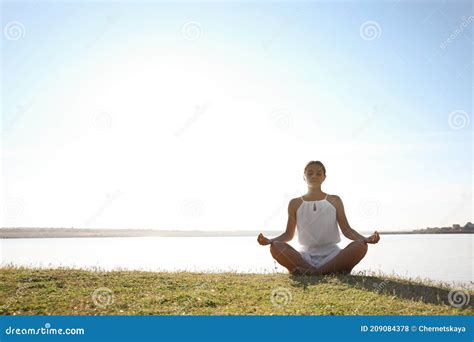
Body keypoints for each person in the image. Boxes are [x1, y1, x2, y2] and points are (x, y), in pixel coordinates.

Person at [257, 160, 380, 275]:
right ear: (304, 177)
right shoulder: (294, 203)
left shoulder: (335, 200)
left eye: (318, 173)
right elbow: (289, 234)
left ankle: (313, 272)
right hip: (304, 256)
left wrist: (365, 239)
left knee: (361, 245)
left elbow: (346, 230)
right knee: (276, 247)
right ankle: (324, 271)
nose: (314, 176)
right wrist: (270, 241)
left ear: (324, 177)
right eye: (309, 173)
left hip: (333, 255)